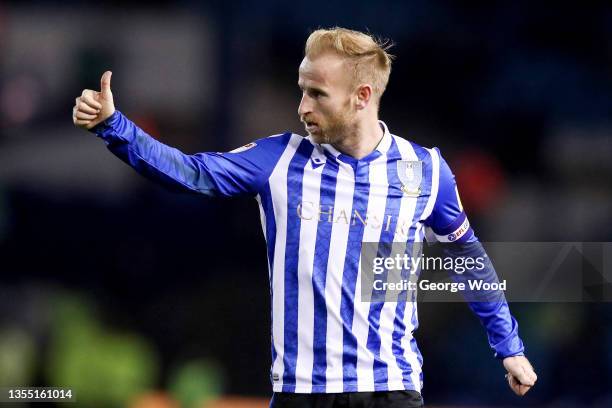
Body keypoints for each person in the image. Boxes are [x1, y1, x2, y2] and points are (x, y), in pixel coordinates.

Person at [72, 27, 537, 407]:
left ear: (361, 95)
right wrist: (116, 126)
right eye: (301, 91)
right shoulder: (278, 159)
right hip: (301, 392)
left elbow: (467, 259)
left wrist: (509, 346)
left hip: (389, 390)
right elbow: (192, 174)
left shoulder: (425, 171)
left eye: (317, 94)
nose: (302, 108)